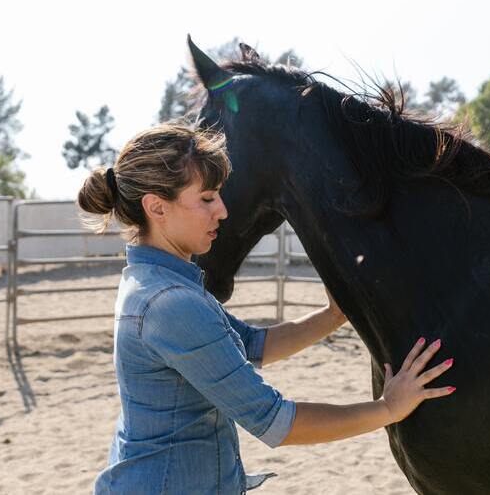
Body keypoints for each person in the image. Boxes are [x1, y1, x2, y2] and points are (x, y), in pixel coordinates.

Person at [78, 123, 456, 495]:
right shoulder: (170, 304)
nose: (222, 211)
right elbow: (275, 421)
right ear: (156, 207)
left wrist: (332, 316)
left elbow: (253, 345)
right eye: (207, 198)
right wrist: (388, 409)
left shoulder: (160, 282)